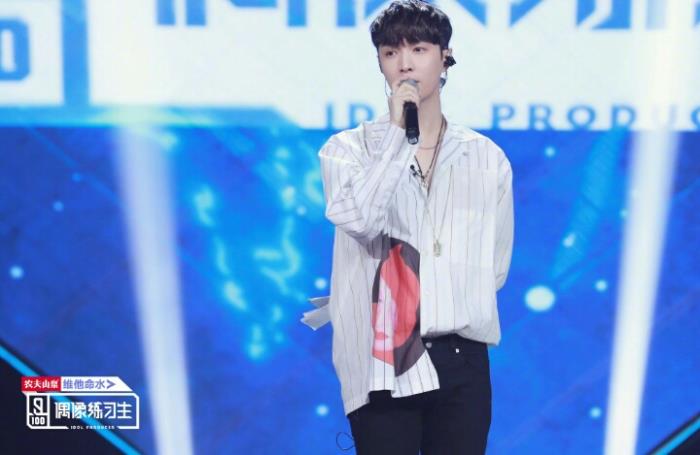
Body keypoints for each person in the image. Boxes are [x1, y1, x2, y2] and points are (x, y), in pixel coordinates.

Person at [316, 1, 514, 453]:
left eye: (419, 49)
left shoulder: (486, 158)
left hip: (462, 359)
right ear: (380, 63)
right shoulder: (346, 151)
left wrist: (447, 297)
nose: (404, 63)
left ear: (445, 58)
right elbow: (360, 220)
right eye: (391, 52)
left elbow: (494, 266)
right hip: (382, 359)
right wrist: (395, 137)